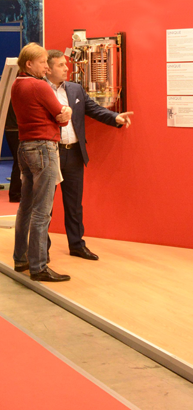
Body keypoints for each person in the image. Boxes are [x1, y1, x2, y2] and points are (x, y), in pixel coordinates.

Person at [45, 50, 133, 261]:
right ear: (47, 69)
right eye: (60, 65)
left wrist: (115, 117)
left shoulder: (75, 88)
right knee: (45, 205)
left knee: (74, 204)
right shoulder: (39, 89)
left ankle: (77, 245)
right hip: (49, 154)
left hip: (74, 153)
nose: (66, 68)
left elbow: (93, 109)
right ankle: (41, 250)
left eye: (65, 64)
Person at [11, 43, 72, 282]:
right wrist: (66, 112)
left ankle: (21, 259)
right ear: (29, 64)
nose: (46, 67)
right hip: (44, 148)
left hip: (25, 148)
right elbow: (61, 116)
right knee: (42, 211)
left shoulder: (17, 84)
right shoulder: (39, 85)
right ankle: (39, 267)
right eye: (43, 62)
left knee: (26, 207)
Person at [5, 101, 22, 203]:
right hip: (16, 129)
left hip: (12, 129)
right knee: (19, 162)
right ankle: (15, 193)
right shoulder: (16, 96)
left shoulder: (7, 97)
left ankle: (16, 192)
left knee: (19, 162)